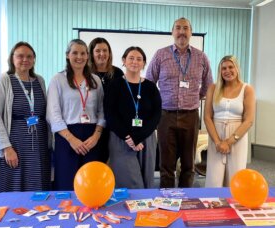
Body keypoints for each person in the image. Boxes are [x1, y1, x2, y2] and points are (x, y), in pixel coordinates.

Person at [146, 17, 213, 188]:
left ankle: (186, 201)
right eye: (178, 28)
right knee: (166, 165)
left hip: (190, 116)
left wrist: (193, 98)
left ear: (190, 32)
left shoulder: (201, 57)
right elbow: (149, 84)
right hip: (165, 116)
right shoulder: (161, 55)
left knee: (188, 165)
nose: (181, 32)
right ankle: (166, 201)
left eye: (185, 28)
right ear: (172, 32)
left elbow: (208, 86)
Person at [0, 41, 51, 200]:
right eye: (20, 56)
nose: (25, 59)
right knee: (11, 191)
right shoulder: (3, 80)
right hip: (14, 144)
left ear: (34, 59)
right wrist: (6, 148)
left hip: (37, 144)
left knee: (36, 186)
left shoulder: (39, 80)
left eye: (29, 56)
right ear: (12, 58)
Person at [47, 39, 105, 191]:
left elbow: (102, 110)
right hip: (67, 136)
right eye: (75, 53)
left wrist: (96, 136)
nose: (79, 57)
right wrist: (72, 139)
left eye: (83, 53)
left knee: (90, 183)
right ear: (67, 55)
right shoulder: (57, 80)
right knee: (67, 182)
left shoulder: (95, 80)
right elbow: (53, 114)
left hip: (91, 137)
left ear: (87, 56)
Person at [105, 46, 161, 189]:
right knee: (131, 183)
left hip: (146, 138)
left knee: (147, 181)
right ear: (124, 61)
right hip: (121, 139)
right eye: (131, 58)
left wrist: (139, 136)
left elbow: (156, 115)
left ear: (143, 63)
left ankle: (146, 211)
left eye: (139, 59)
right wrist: (128, 137)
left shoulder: (151, 87)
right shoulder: (115, 85)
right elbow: (110, 114)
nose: (135, 62)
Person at [204, 55, 255, 187]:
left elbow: (248, 120)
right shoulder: (213, 88)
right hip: (216, 136)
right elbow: (207, 117)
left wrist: (229, 142)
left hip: (238, 136)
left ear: (237, 68)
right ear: (220, 72)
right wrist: (218, 142)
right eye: (224, 68)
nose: (227, 71)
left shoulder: (247, 89)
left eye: (231, 67)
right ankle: (212, 205)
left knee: (236, 176)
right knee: (214, 178)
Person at [88, 37, 124, 163]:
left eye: (105, 50)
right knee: (94, 159)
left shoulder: (118, 73)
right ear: (91, 53)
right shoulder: (85, 73)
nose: (102, 54)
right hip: (91, 124)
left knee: (111, 160)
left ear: (109, 53)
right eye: (98, 51)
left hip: (112, 125)